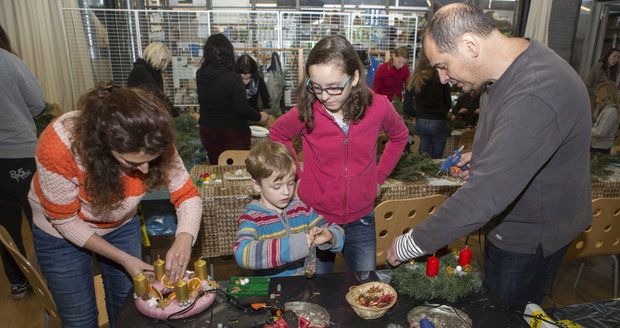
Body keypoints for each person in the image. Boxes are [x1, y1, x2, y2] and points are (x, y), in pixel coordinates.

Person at [386, 3, 592, 311]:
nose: (442, 78)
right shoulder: (506, 72)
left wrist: (411, 242)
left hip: (530, 238)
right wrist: (482, 154)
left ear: (470, 45)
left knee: (504, 315)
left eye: (443, 65)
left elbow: (485, 194)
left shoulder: (536, 89)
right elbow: (519, 140)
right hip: (509, 226)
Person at [29, 87, 202, 327]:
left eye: (150, 162)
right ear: (102, 146)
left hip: (120, 224)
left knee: (127, 310)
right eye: (132, 162)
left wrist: (184, 236)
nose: (144, 171)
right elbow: (65, 220)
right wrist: (124, 259)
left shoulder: (152, 139)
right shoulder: (58, 147)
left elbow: (187, 194)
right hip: (59, 232)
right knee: (80, 319)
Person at [270, 35, 409, 274]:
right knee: (318, 288)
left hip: (361, 219)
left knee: (364, 284)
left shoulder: (379, 106)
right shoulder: (307, 110)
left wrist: (379, 176)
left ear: (354, 77)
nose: (324, 96)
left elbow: (399, 136)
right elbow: (278, 134)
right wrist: (298, 175)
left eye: (334, 87)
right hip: (316, 218)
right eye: (317, 87)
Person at [233, 141, 344, 277]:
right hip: (271, 291)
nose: (286, 192)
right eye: (277, 186)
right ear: (257, 185)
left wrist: (330, 235)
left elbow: (338, 230)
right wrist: (294, 246)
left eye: (290, 183)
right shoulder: (252, 218)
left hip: (303, 286)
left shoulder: (301, 209)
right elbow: (242, 253)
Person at [0, 24, 45, 299]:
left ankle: (18, 281)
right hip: (19, 153)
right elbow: (37, 103)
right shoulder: (9, 62)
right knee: (40, 220)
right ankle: (51, 279)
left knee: (6, 228)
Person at [196, 34, 269, 164]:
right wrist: (259, 116)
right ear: (228, 53)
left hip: (207, 129)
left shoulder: (200, 74)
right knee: (236, 168)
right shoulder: (233, 77)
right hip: (232, 132)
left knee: (216, 166)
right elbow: (242, 108)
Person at [403, 51, 452, 159]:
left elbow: (407, 108)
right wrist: (441, 113)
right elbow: (448, 103)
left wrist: (420, 114)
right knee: (436, 161)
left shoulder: (415, 79)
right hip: (439, 121)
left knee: (422, 161)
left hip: (421, 123)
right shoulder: (441, 78)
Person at [126, 42, 178, 117]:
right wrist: (176, 113)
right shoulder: (141, 71)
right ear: (156, 57)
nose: (164, 64)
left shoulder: (153, 71)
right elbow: (157, 95)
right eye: (163, 60)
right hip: (141, 116)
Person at [591, 81, 619, 154]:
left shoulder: (611, 111)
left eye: (599, 98)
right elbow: (596, 122)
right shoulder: (607, 109)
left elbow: (600, 132)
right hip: (597, 146)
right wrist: (597, 108)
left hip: (601, 149)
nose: (597, 100)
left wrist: (586, 129)